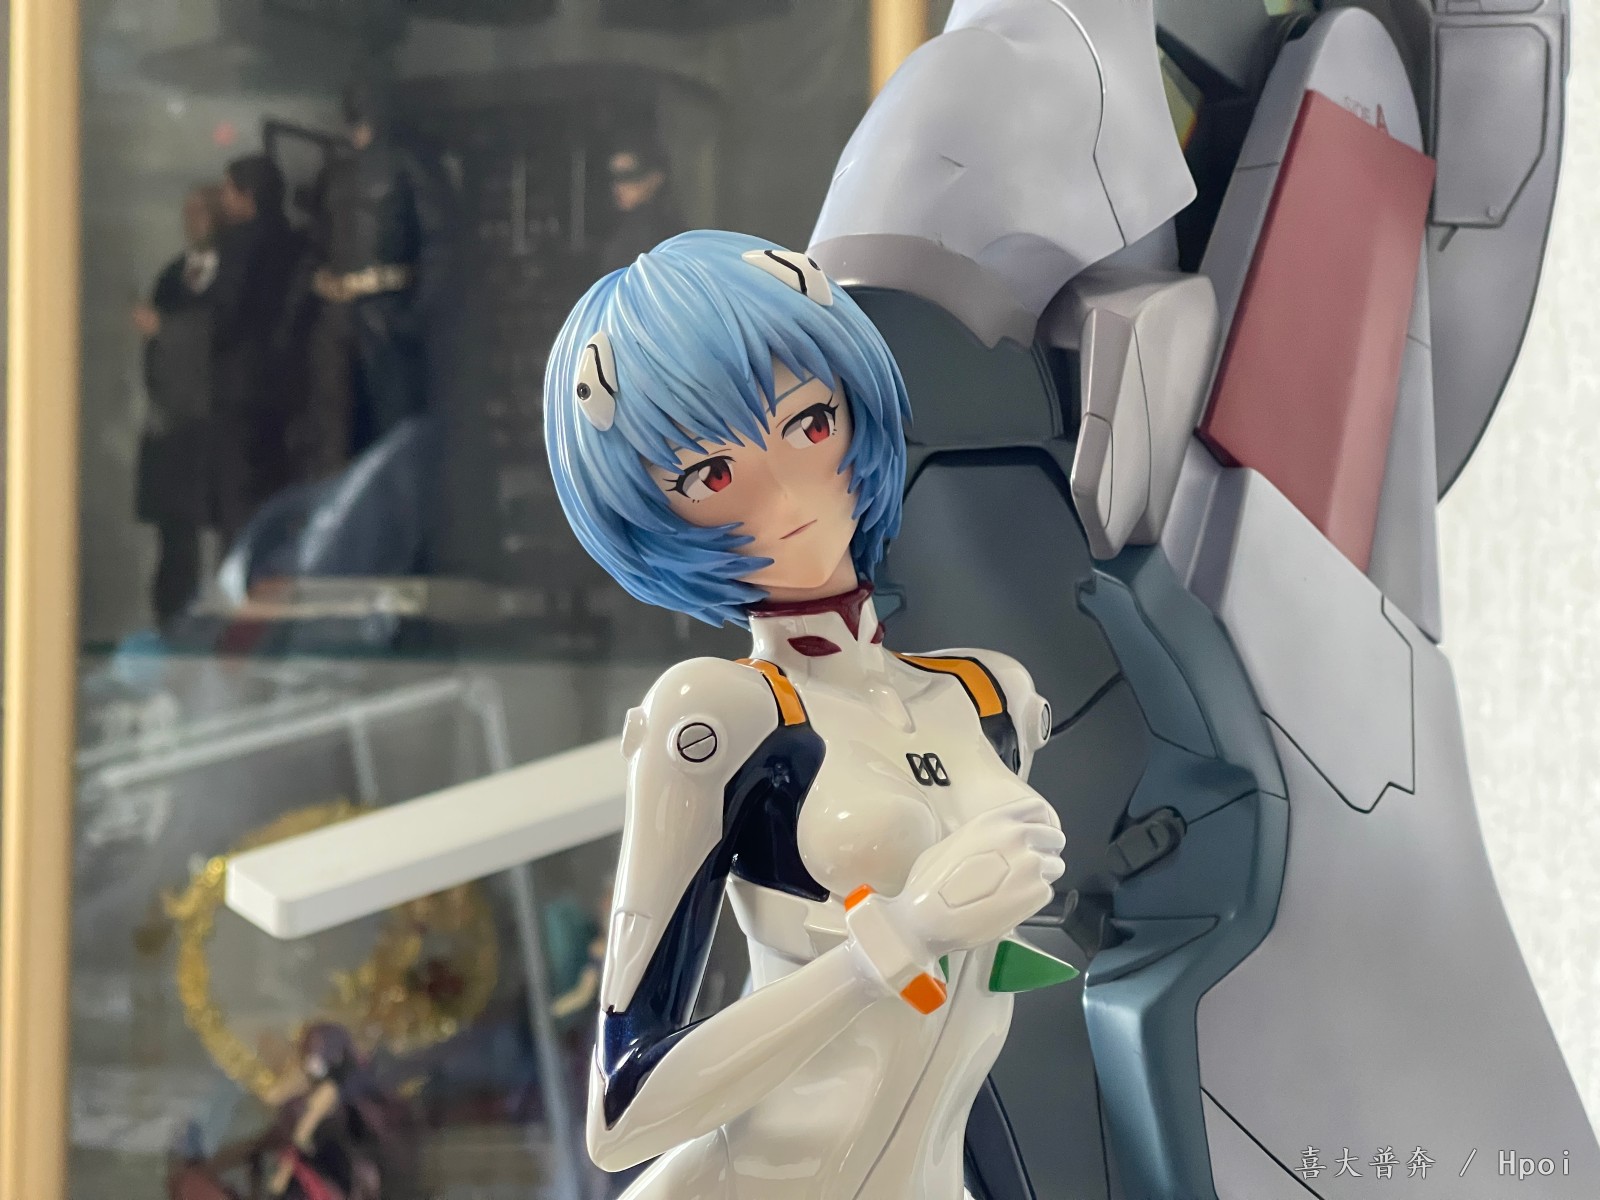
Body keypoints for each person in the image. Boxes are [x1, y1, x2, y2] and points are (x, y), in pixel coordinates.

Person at [543, 230, 1073, 1198]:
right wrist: (899, 936)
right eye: (711, 476)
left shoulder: (988, 694)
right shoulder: (724, 715)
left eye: (809, 422)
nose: (784, 492)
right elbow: (624, 1113)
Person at [305, 77, 453, 465]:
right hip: (355, 321)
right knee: (349, 440)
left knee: (386, 440)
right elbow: (317, 244)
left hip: (381, 318)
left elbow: (440, 247)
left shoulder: (402, 167)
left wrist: (414, 317)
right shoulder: (343, 173)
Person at [133, 184, 224, 629]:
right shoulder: (171, 276)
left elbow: (222, 336)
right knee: (174, 534)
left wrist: (166, 331)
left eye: (202, 211)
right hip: (173, 420)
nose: (193, 221)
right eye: (188, 212)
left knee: (223, 526)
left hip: (217, 420)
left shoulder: (236, 275)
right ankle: (171, 619)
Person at [211, 153, 308, 546]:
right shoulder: (295, 242)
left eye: (228, 190)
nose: (222, 198)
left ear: (247, 195)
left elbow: (227, 315)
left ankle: (240, 567)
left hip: (240, 384)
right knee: (274, 486)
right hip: (283, 383)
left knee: (237, 493)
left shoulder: (238, 243)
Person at [598, 141, 684, 273]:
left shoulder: (657, 231)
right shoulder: (619, 226)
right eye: (614, 176)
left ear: (655, 179)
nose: (619, 185)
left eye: (629, 176)